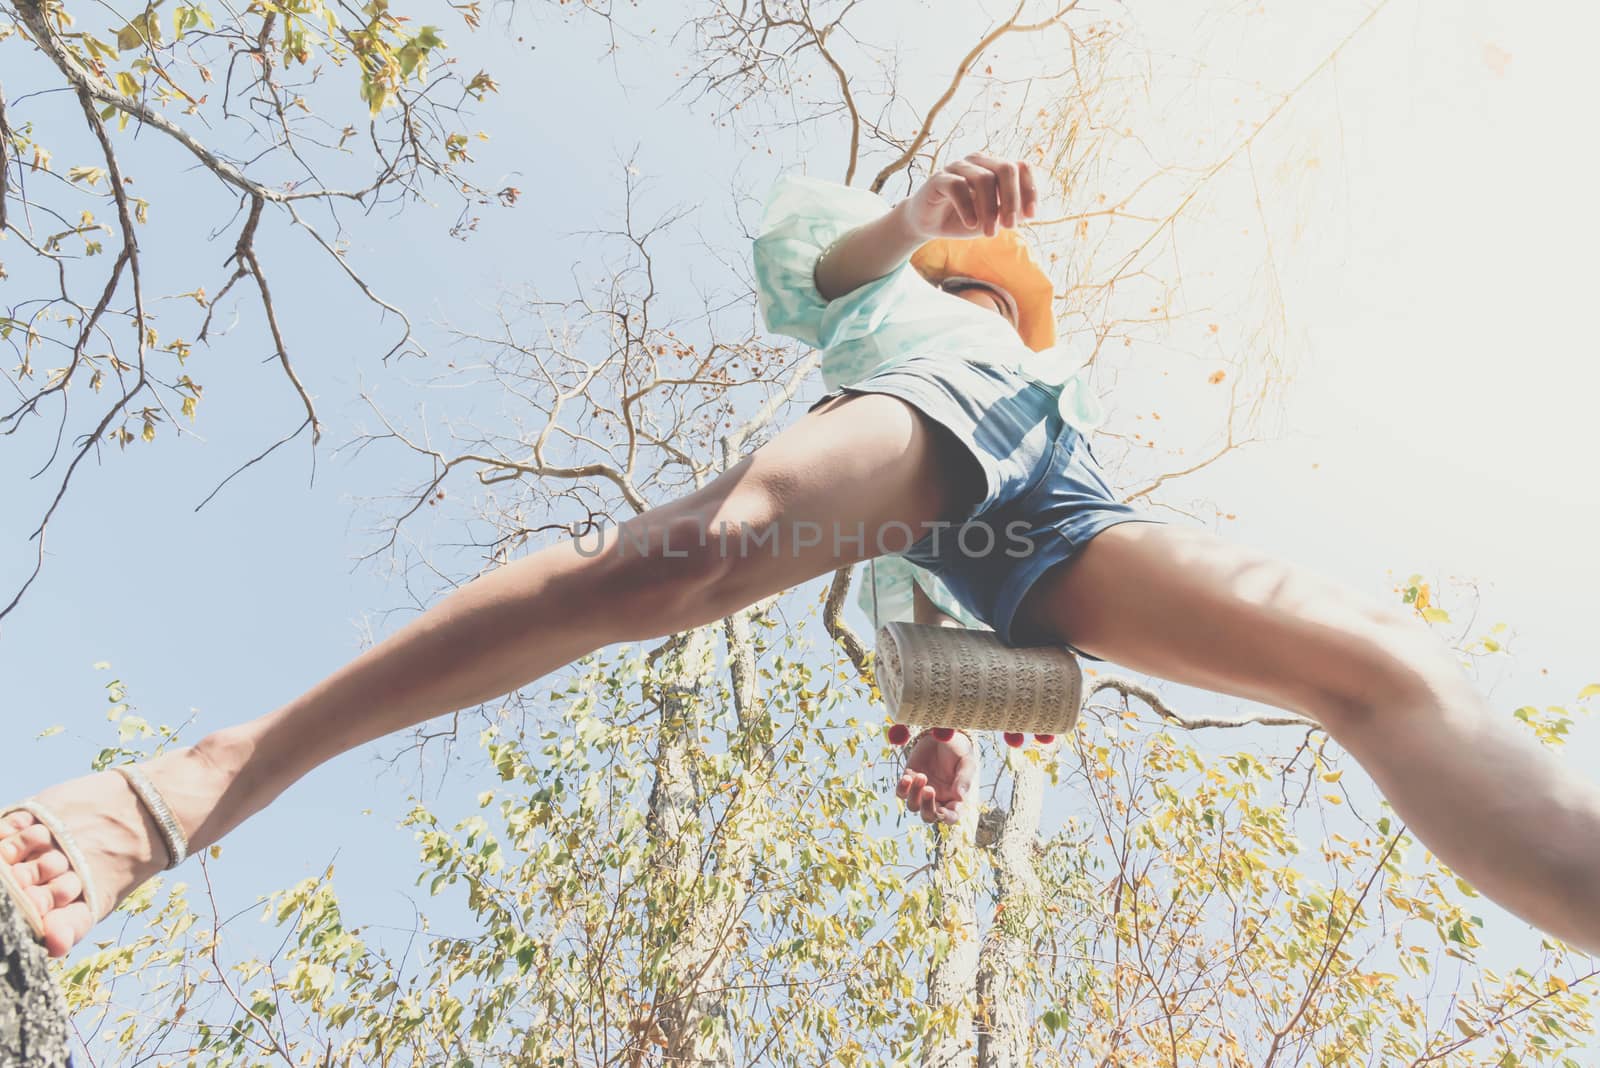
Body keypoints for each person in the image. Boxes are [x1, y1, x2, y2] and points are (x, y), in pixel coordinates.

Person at [6, 153, 1600, 962]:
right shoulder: (886, 277)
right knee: (684, 561)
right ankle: (198, 782)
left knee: (1376, 664)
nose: (999, 264)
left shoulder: (1050, 351)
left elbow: (943, 595)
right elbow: (818, 262)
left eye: (1002, 264)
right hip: (917, 415)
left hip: (1054, 510)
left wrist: (937, 714)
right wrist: (918, 211)